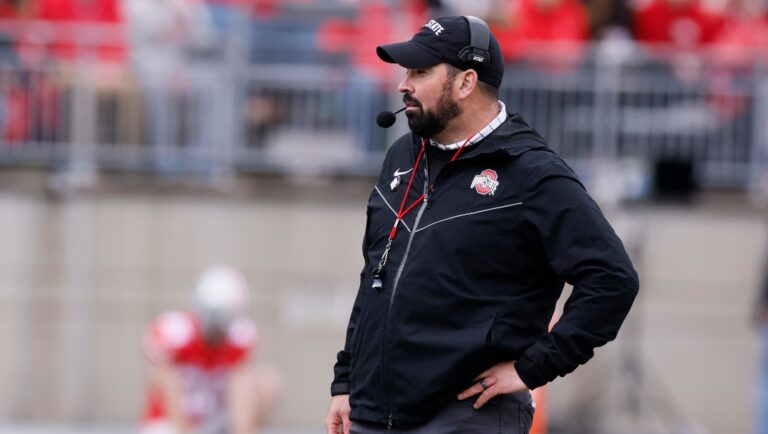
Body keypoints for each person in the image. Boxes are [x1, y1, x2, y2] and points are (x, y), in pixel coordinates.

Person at [326, 15, 639, 434]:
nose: (404, 84)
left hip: (467, 415)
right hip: (373, 413)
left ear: (466, 83)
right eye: (406, 71)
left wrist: (533, 368)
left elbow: (612, 279)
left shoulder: (532, 173)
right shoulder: (402, 156)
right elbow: (376, 277)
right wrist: (346, 381)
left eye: (420, 72)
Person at [141, 265, 279, 434]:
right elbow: (171, 398)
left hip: (212, 419)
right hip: (173, 423)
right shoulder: (174, 333)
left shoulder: (239, 337)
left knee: (266, 382)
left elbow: (241, 396)